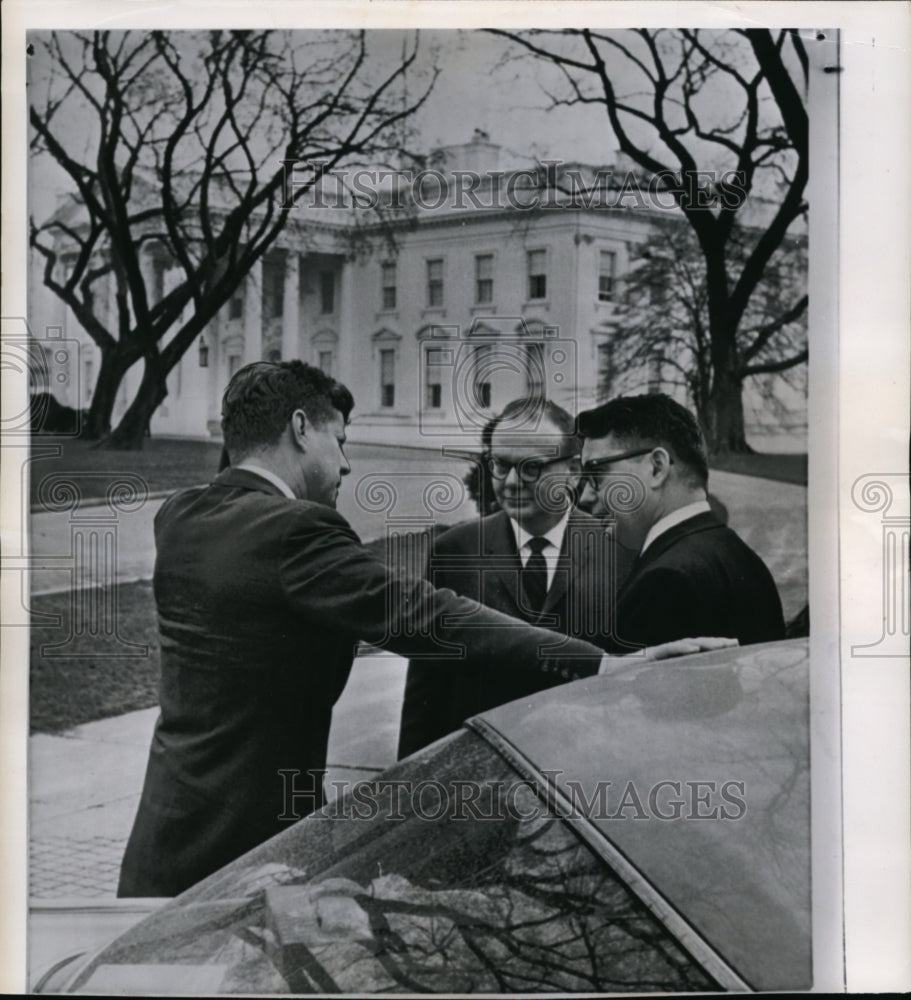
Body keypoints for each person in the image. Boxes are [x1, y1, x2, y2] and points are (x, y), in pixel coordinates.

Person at [119, 363, 727, 898]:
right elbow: (425, 615)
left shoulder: (181, 516)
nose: (348, 463)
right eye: (340, 440)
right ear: (301, 429)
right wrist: (602, 664)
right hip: (242, 849)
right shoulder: (296, 532)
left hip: (164, 834)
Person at [398, 398, 635, 758]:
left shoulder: (620, 550)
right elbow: (426, 693)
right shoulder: (455, 550)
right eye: (500, 465)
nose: (510, 482)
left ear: (573, 470)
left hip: (587, 776)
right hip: (477, 779)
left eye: (530, 468)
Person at [577, 393, 786, 651]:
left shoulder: (665, 582)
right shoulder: (745, 559)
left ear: (657, 467)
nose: (585, 496)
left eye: (596, 474)